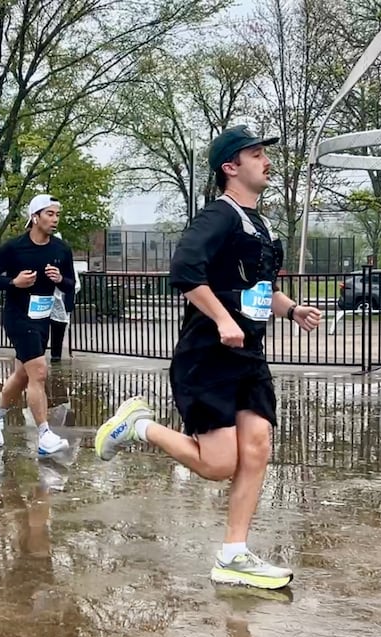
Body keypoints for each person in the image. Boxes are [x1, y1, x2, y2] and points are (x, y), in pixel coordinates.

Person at [92, 125, 323, 591]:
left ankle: (233, 554)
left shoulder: (258, 222)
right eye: (255, 154)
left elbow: (260, 288)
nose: (266, 161)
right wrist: (222, 318)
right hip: (208, 355)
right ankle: (137, 426)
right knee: (218, 464)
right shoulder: (217, 216)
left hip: (249, 355)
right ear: (230, 167)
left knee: (257, 446)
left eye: (263, 154)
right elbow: (184, 272)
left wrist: (292, 308)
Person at [0, 194, 76, 456]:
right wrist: (14, 282)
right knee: (40, 372)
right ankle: (44, 435)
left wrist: (60, 280)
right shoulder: (14, 248)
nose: (55, 219)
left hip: (42, 318)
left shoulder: (61, 250)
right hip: (18, 317)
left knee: (24, 375)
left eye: (57, 214)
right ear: (35, 217)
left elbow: (70, 285)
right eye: (49, 214)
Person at [48, 253, 79, 362]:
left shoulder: (66, 265)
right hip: (48, 301)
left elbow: (73, 285)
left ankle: (56, 355)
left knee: (58, 329)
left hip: (62, 303)